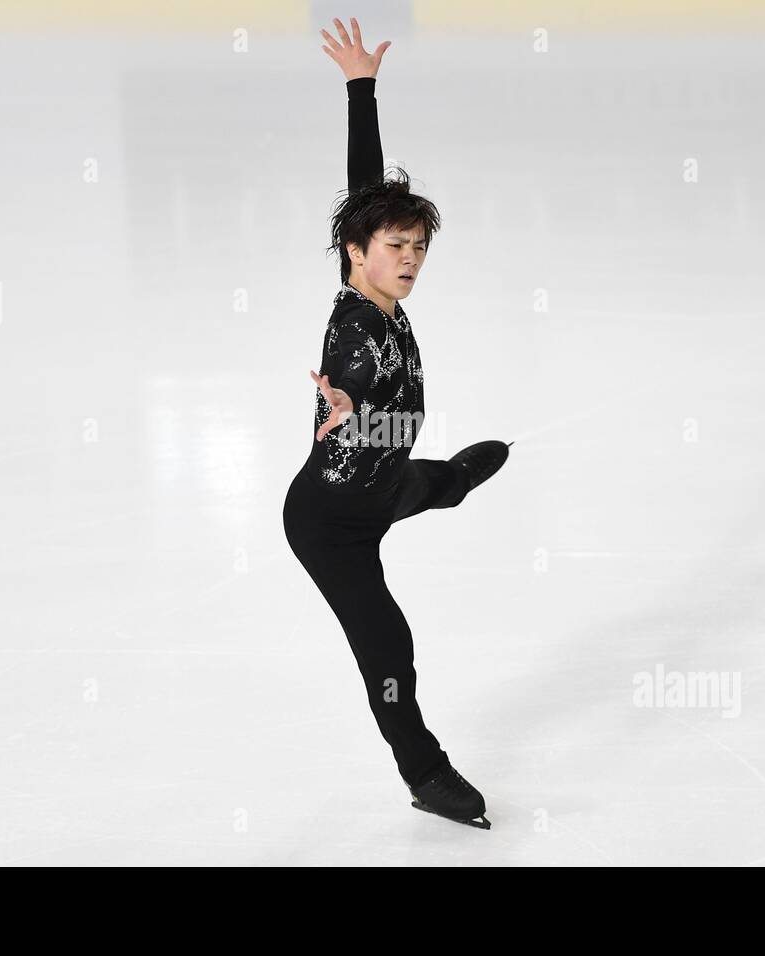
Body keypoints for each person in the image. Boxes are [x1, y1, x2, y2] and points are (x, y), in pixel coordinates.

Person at [281, 17, 511, 830]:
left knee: (436, 480)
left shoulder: (375, 278)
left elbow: (365, 189)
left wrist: (361, 87)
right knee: (390, 646)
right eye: (396, 246)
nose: (410, 258)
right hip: (332, 522)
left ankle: (453, 480)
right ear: (356, 252)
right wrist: (342, 415)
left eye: (418, 246)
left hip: (389, 486)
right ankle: (427, 774)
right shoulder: (352, 332)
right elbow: (345, 407)